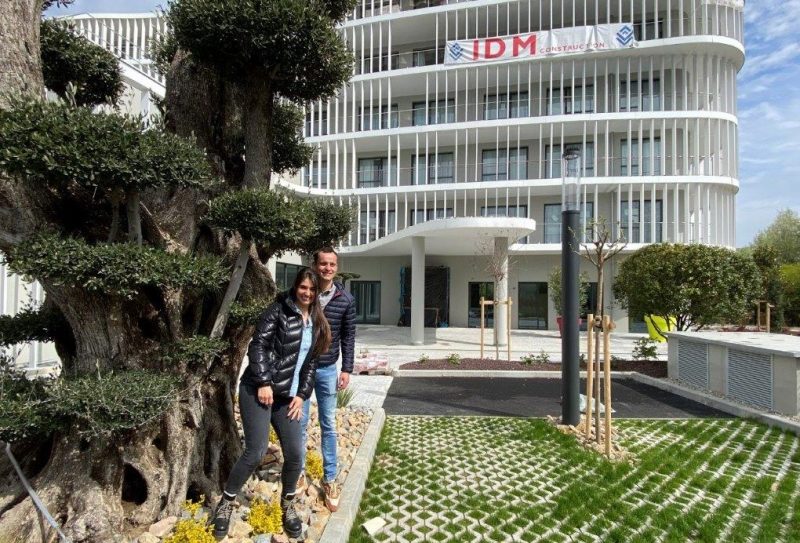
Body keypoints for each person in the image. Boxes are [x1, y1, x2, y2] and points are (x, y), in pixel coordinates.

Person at [211, 268, 331, 540]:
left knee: (296, 454)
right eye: (303, 287)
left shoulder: (316, 321)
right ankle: (226, 502)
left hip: (287, 397)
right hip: (258, 390)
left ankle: (287, 504)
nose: (307, 293)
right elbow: (258, 346)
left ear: (316, 293)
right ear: (295, 287)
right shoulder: (278, 310)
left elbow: (310, 365)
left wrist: (302, 395)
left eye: (312, 289)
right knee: (255, 452)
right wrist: (264, 381)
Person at [299, 246, 356, 512]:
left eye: (332, 264)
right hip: (300, 369)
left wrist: (347, 368)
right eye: (323, 264)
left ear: (337, 266)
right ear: (315, 264)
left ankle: (330, 479)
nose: (328, 268)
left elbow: (349, 335)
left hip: (326, 369)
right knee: (298, 423)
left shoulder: (345, 299)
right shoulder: (304, 293)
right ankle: (298, 473)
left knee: (329, 424)